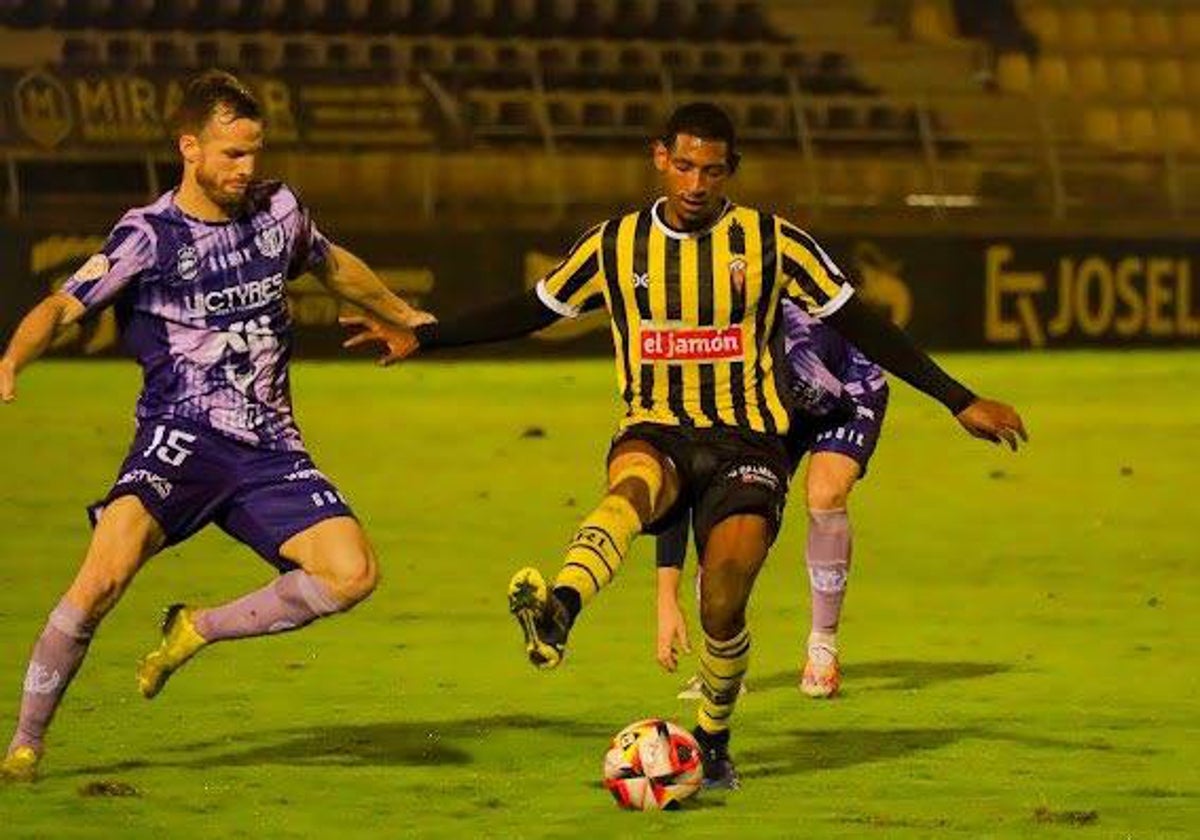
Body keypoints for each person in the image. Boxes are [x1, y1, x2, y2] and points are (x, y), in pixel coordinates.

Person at [341, 102, 1026, 789]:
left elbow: (862, 323)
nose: (697, 184)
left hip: (748, 442)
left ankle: (714, 739)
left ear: (731, 171)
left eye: (713, 171)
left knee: (722, 602)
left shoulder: (773, 242)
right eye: (686, 166)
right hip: (656, 429)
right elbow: (529, 311)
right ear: (660, 158)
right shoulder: (614, 245)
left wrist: (957, 399)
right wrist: (423, 336)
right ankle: (560, 609)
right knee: (632, 486)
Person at [0, 70, 430, 782]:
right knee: (103, 577)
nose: (247, 168)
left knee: (353, 574)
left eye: (254, 152)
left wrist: (402, 313)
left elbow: (331, 265)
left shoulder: (279, 211)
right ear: (189, 147)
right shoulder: (149, 236)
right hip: (180, 439)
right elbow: (63, 305)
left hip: (269, 450)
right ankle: (25, 744)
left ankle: (197, 627)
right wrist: (13, 357)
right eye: (232, 154)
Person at [657, 301, 890, 700]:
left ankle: (822, 646)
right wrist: (666, 597)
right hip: (769, 408)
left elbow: (827, 398)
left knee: (825, 492)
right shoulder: (696, 383)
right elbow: (684, 492)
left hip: (845, 386)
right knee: (725, 513)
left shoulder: (783, 345)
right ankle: (721, 663)